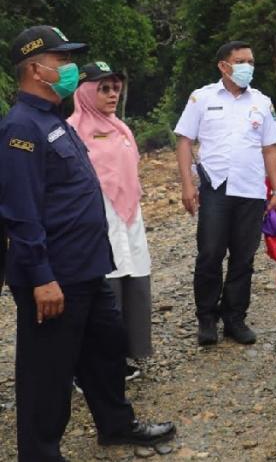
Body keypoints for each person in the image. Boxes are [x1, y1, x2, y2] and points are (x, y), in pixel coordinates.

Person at [0, 25, 175, 461]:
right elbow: (20, 211)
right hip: (55, 275)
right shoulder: (20, 127)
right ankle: (39, 453)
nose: (70, 69)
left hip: (87, 267)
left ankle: (115, 424)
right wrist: (41, 277)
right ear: (36, 69)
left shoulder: (52, 120)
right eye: (62, 61)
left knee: (105, 350)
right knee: (48, 373)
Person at [175, 41, 276, 346]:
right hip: (216, 188)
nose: (247, 66)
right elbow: (184, 142)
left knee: (244, 257)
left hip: (250, 189)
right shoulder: (202, 98)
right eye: (240, 61)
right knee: (210, 254)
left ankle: (234, 318)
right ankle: (207, 317)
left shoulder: (262, 102)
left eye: (250, 60)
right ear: (223, 66)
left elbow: (270, 149)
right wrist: (187, 184)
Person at [69, 62, 152, 381]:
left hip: (128, 219)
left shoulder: (120, 127)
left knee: (131, 286)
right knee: (101, 292)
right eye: (104, 88)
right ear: (86, 91)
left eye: (116, 87)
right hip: (95, 222)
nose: (112, 94)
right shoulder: (73, 129)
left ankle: (120, 356)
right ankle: (88, 368)